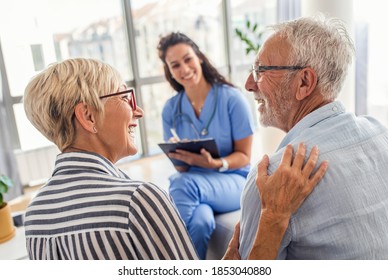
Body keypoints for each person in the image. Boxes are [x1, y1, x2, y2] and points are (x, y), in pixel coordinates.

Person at [23, 57, 327, 260]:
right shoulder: (137, 201)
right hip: (203, 182)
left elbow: (242, 156)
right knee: (193, 202)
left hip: (226, 177)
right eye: (125, 98)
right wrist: (273, 218)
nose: (138, 111)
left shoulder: (35, 217)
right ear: (88, 116)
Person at [239, 15, 388, 260]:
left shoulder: (271, 179)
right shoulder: (381, 134)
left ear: (304, 82)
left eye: (260, 71)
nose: (248, 84)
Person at [157, 32, 255, 259]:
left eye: (188, 59)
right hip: (194, 183)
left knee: (181, 184)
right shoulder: (171, 109)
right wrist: (179, 154)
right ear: (169, 71)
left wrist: (215, 163)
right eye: (175, 65)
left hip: (234, 179)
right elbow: (181, 169)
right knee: (200, 223)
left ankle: (167, 259)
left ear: (199, 57)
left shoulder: (232, 99)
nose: (184, 69)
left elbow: (244, 156)